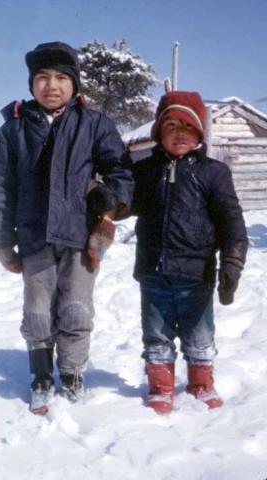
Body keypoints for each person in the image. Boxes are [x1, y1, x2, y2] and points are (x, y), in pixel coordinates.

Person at [0, 42, 133, 415]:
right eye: (42, 78)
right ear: (32, 84)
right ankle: (40, 377)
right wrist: (3, 241)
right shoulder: (15, 129)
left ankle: (70, 374)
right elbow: (1, 188)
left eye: (61, 78)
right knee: (37, 311)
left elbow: (120, 172)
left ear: (75, 84)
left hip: (80, 236)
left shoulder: (95, 124)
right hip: (34, 236)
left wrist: (107, 212)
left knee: (76, 309)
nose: (51, 86)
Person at [130, 91, 248, 414]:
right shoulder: (145, 170)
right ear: (158, 132)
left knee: (199, 335)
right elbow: (125, 204)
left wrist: (233, 263)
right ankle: (160, 387)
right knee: (156, 335)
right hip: (153, 272)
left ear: (198, 133)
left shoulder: (213, 172)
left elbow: (231, 220)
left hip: (196, 275)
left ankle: (200, 383)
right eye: (170, 125)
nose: (179, 132)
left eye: (187, 125)